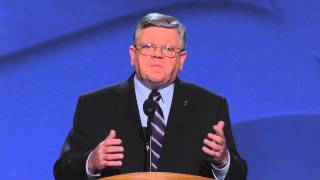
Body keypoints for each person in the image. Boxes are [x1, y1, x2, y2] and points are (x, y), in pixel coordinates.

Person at [53, 12, 247, 180]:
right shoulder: (95, 105)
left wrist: (223, 162)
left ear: (182, 60)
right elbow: (62, 171)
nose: (157, 55)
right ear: (132, 55)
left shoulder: (209, 106)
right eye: (147, 47)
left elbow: (239, 175)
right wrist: (91, 162)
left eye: (169, 49)